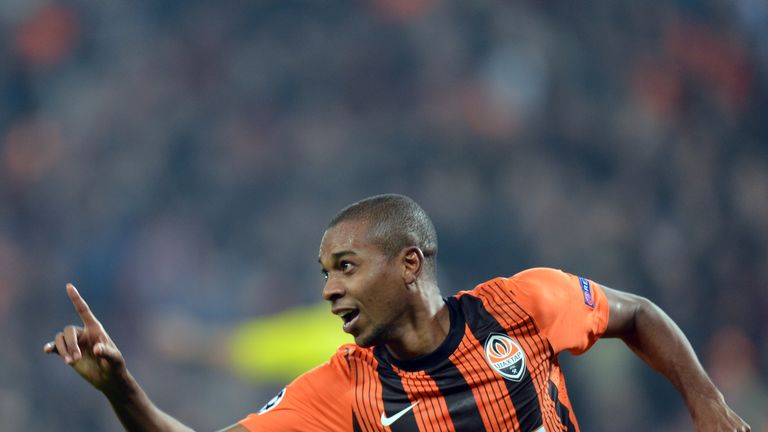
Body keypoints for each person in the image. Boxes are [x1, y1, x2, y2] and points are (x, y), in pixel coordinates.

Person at [45, 194, 750, 431]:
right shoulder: (342, 390)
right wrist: (123, 391)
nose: (329, 291)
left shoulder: (523, 305)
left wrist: (707, 403)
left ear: (410, 265)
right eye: (324, 274)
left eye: (345, 268)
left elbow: (635, 314)